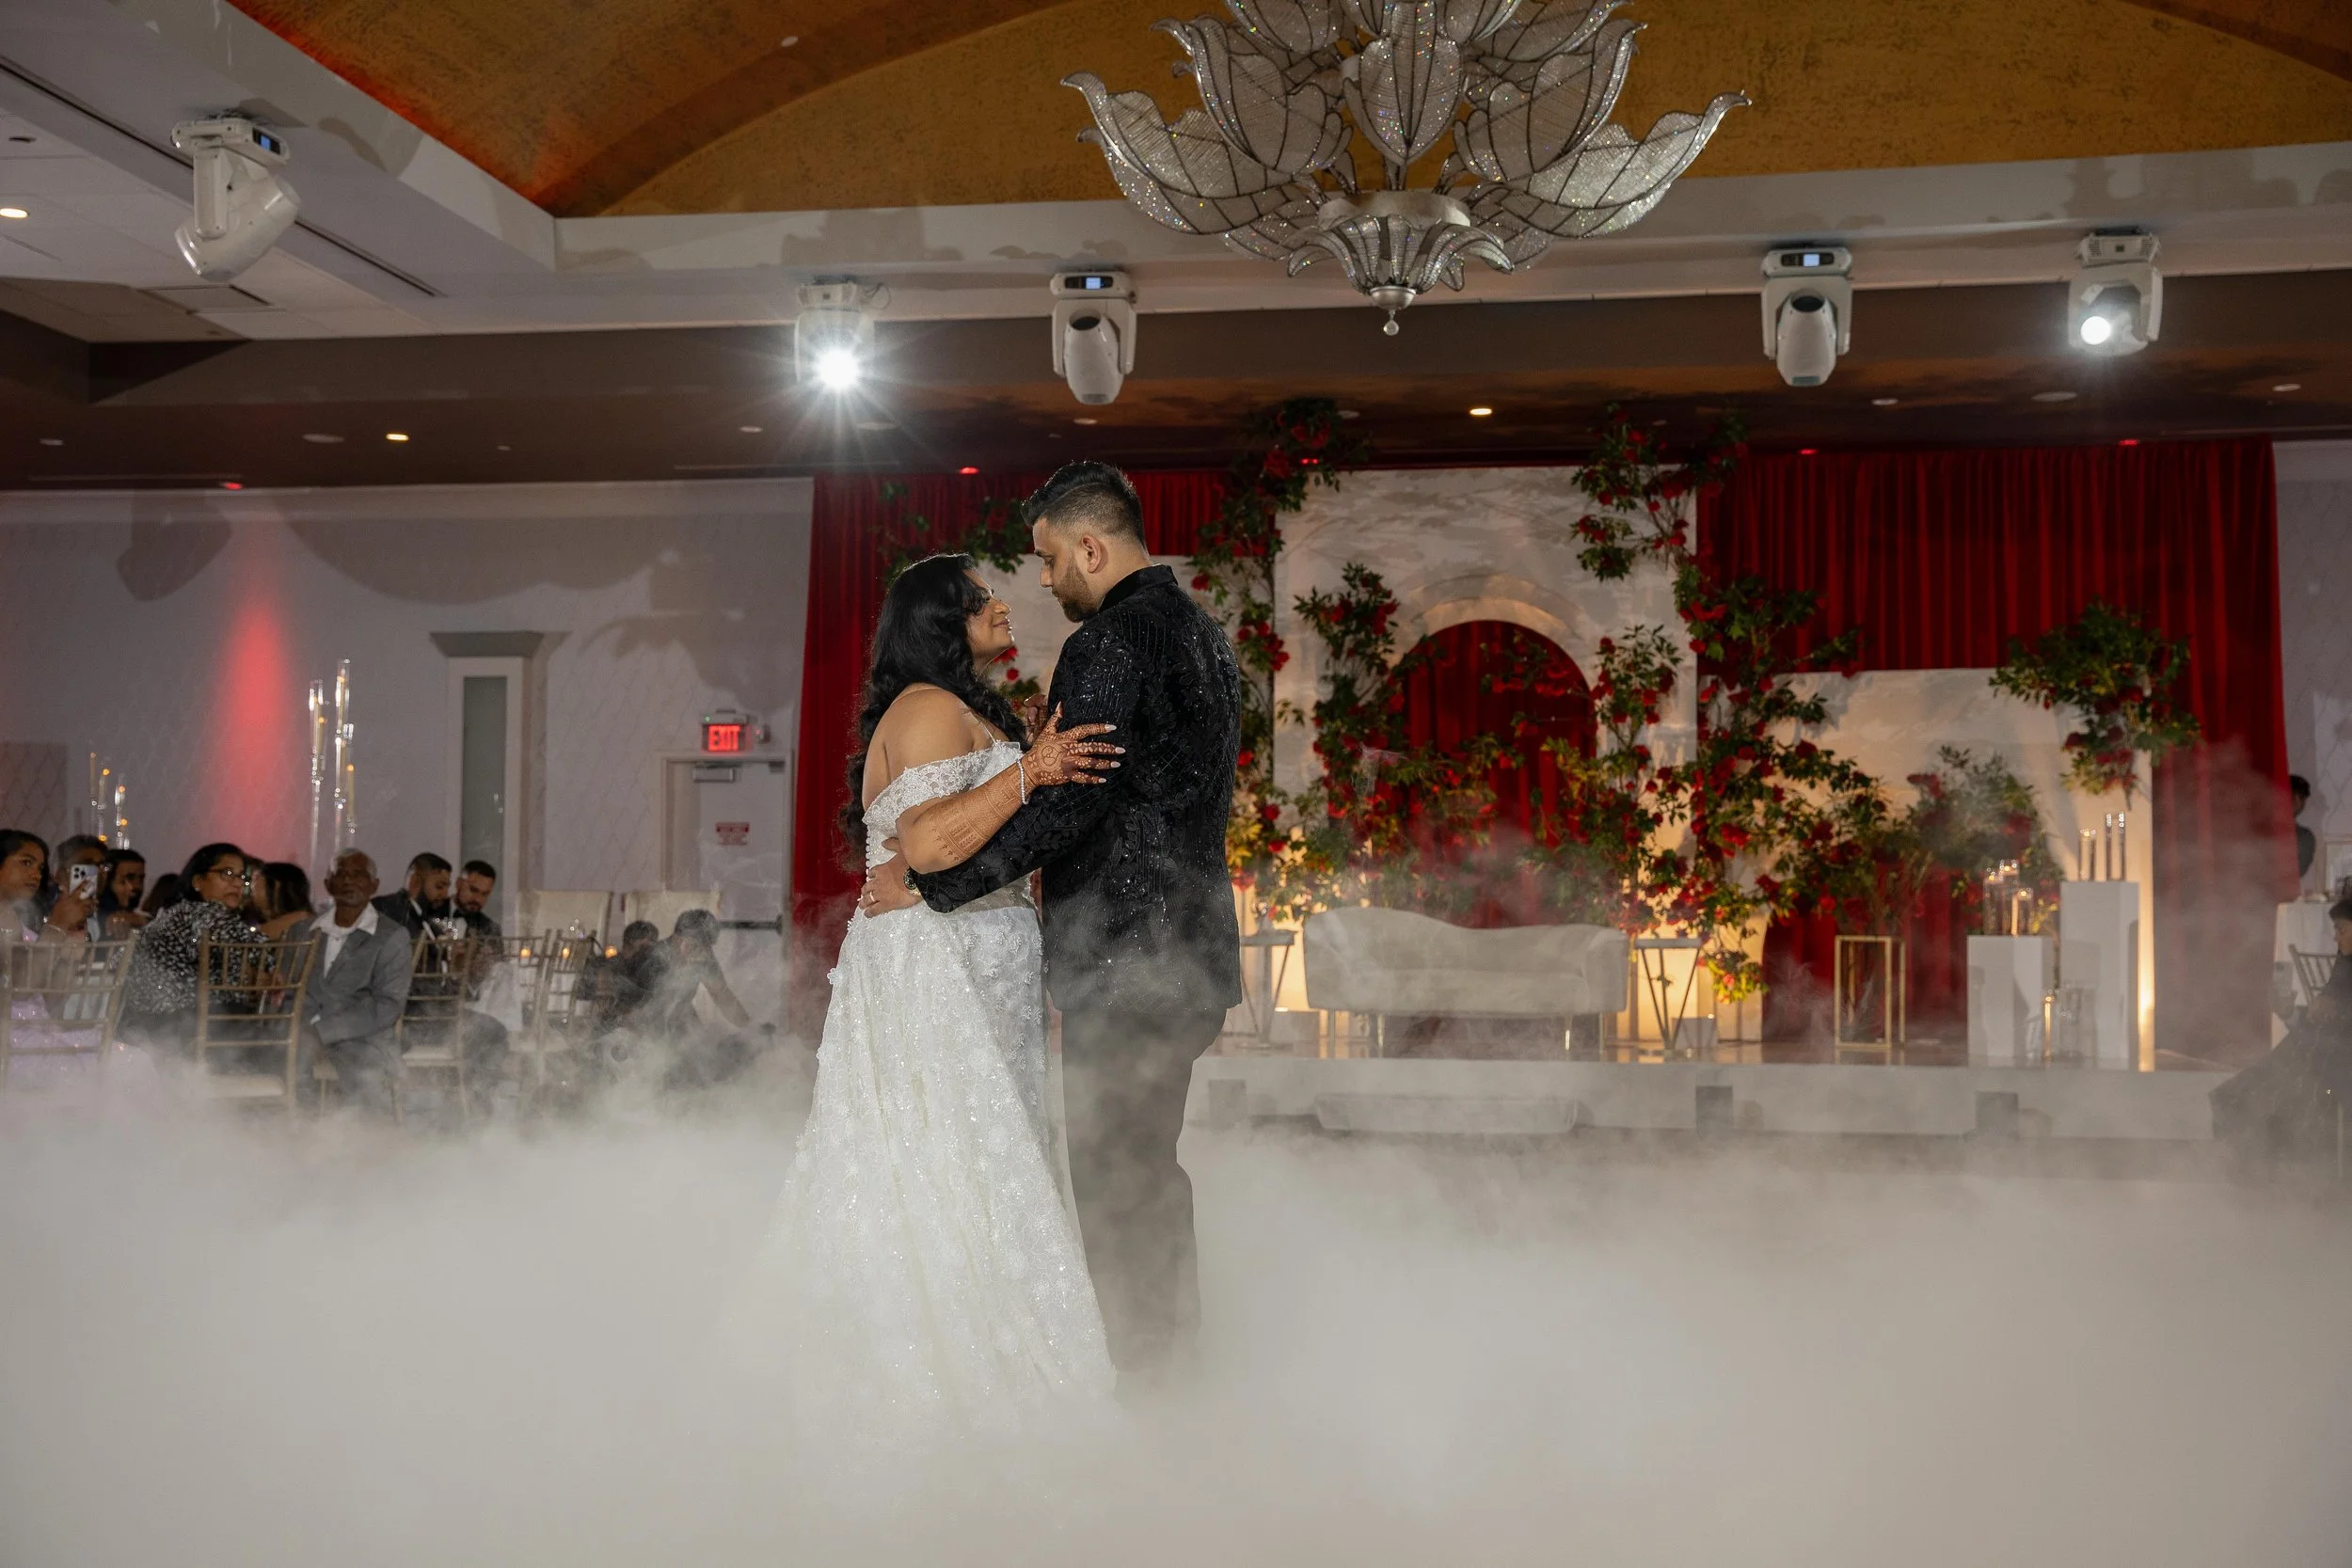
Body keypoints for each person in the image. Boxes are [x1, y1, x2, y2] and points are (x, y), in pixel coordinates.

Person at [726, 549, 1122, 1439]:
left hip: (974, 952)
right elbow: (932, 847)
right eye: (982, 599)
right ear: (942, 620)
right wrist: (1033, 769)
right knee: (949, 1162)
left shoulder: (957, 708)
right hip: (939, 960)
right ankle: (950, 1383)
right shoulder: (932, 708)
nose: (1003, 607)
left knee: (977, 1152)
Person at [866, 461, 1244, 1386]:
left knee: (1120, 1185)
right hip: (1189, 954)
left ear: (1089, 545)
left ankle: (1152, 1384)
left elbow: (1075, 800)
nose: (1041, 582)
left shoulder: (1108, 642)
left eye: (1045, 560)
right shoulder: (1204, 634)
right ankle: (1172, 1370)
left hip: (1126, 959)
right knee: (1148, 1171)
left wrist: (939, 886)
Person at [2215, 894, 2352, 1166]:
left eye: (2342, 930)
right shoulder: (2343, 967)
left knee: (2281, 1092)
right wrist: (2290, 1012)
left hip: (2337, 1060)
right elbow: (2319, 1022)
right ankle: (2258, 1172)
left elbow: (2336, 1024)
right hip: (2321, 1053)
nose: (2336, 938)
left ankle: (2284, 1175)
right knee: (2240, 1091)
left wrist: (2334, 1014)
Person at [293, 849, 413, 1117]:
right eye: (340, 874)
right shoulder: (302, 931)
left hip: (363, 1039)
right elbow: (287, 988)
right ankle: (302, 1139)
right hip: (301, 1035)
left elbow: (387, 1005)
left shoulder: (391, 936)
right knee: (268, 1058)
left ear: (374, 885)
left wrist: (323, 1031)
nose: (348, 881)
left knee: (364, 1073)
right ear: (327, 885)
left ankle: (363, 1147)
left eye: (358, 875)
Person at [119, 844, 255, 1049]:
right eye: (227, 874)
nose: (237, 883)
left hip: (191, 1028)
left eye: (241, 876)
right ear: (198, 881)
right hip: (167, 1032)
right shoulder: (191, 917)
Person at [1, 830, 92, 947]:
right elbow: (21, 965)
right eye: (26, 862)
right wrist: (57, 926)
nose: (37, 875)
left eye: (40, 868)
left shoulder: (29, 917)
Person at [373, 852, 453, 938]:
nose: (445, 895)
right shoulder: (388, 910)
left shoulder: (433, 923)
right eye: (439, 887)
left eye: (447, 888)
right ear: (415, 882)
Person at [96, 847, 149, 939]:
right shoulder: (89, 920)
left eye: (140, 879)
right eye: (129, 878)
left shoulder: (142, 920)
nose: (136, 886)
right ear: (107, 880)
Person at [2291, 774, 2318, 886]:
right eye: (2291, 795)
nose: (2297, 801)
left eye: (2301, 797)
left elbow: (2295, 872)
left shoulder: (2304, 836)